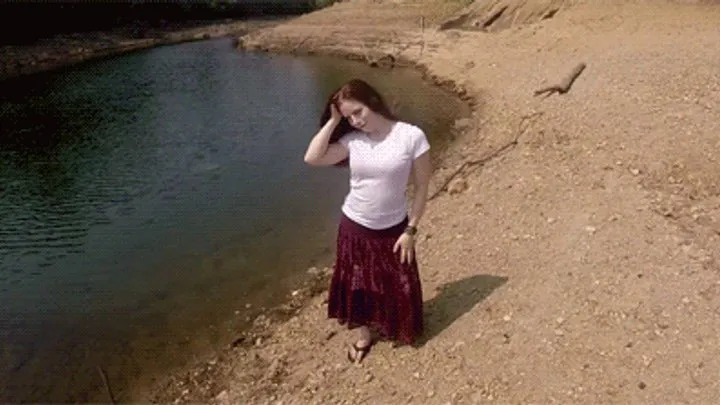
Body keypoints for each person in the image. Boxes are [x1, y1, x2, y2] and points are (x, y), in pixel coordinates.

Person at [303, 78, 432, 364]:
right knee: (355, 284)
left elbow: (422, 186)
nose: (355, 121)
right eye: (349, 116)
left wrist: (412, 228)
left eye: (357, 112)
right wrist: (333, 121)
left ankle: (399, 326)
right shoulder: (352, 141)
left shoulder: (411, 136)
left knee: (399, 282)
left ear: (372, 101)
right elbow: (312, 158)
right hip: (354, 225)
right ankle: (364, 336)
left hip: (395, 227)